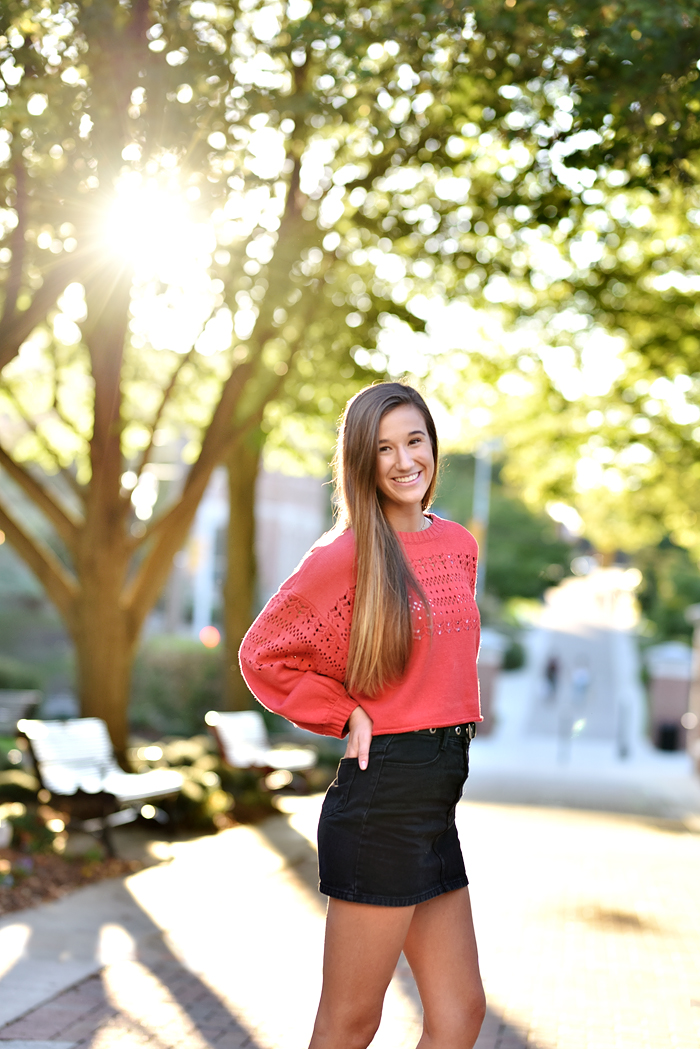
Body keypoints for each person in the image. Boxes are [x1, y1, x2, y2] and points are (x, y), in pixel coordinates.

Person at [239, 382, 486, 1049]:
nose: (405, 461)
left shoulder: (459, 545)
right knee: (351, 1021)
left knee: (460, 1012)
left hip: (437, 795)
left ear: (433, 445)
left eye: (415, 440)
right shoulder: (343, 556)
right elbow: (263, 654)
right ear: (361, 461)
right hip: (384, 798)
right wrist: (343, 713)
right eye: (384, 448)